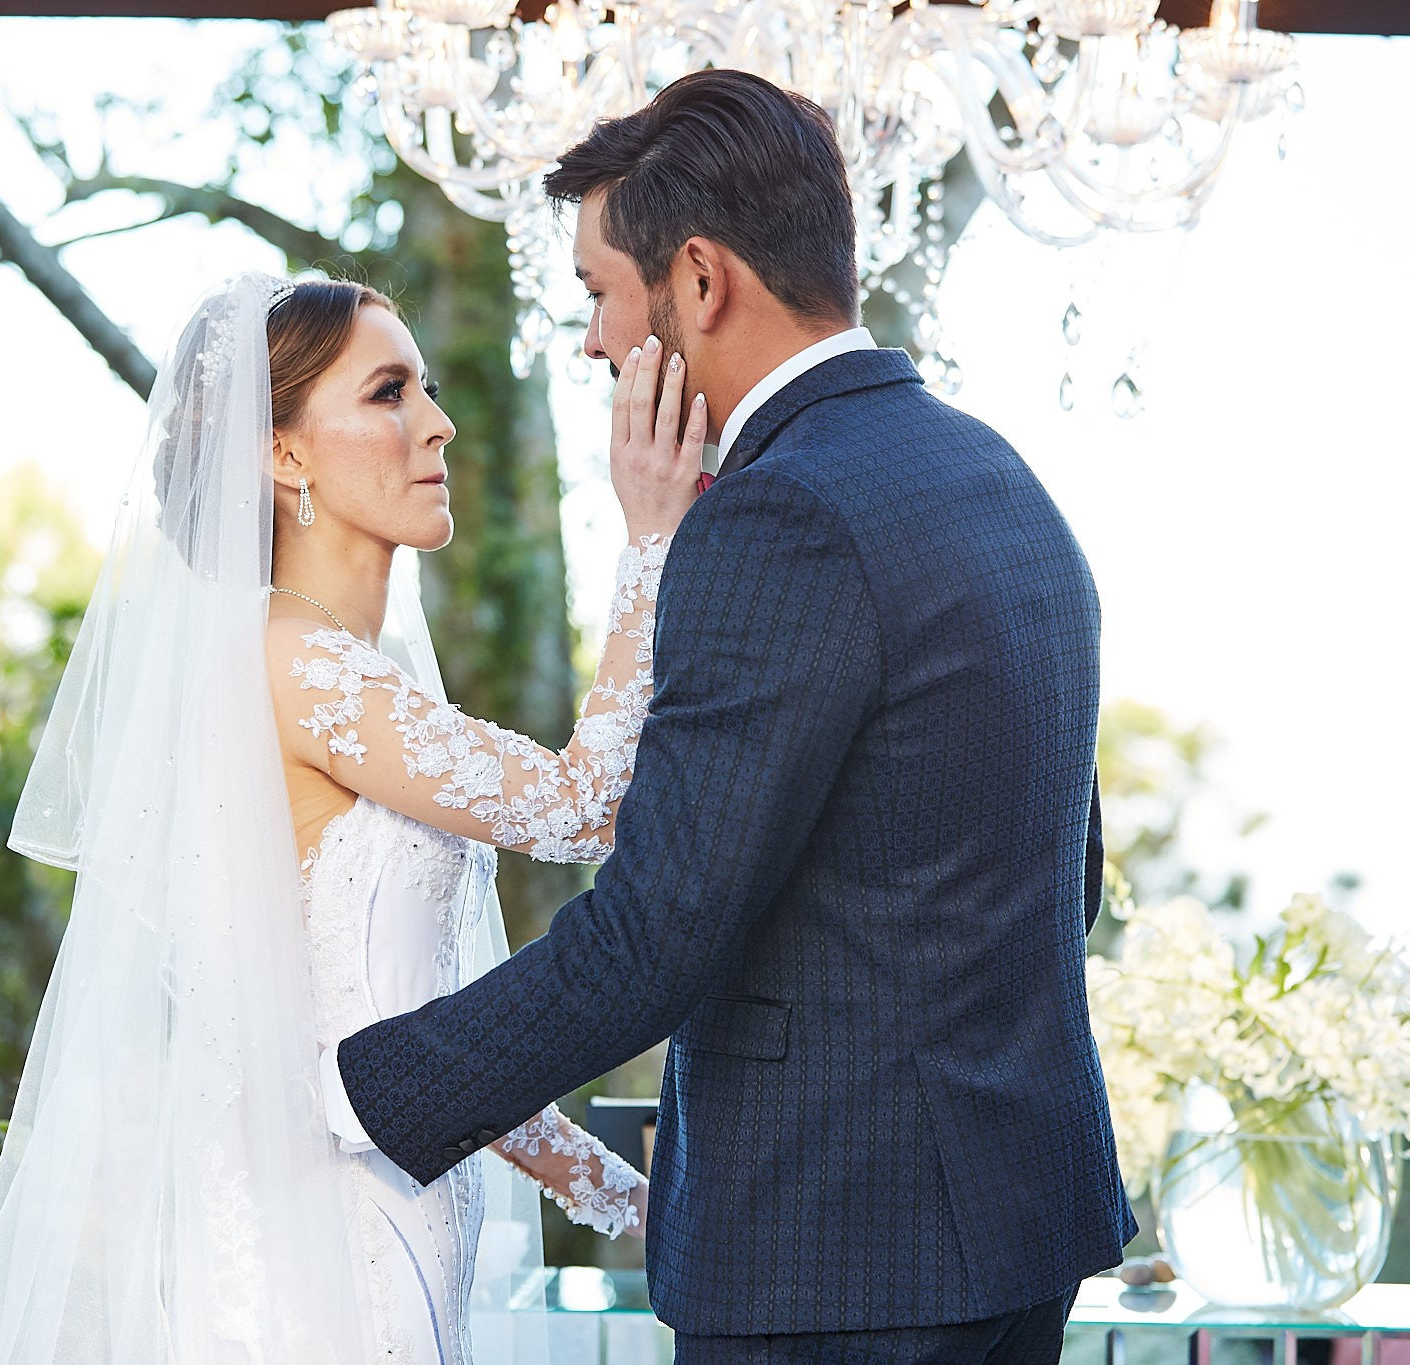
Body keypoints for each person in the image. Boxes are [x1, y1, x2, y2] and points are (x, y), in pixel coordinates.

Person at [322, 69, 1139, 1365]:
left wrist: (351, 1092)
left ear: (698, 281)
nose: (592, 343)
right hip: (1015, 1234)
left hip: (841, 1267)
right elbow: (1065, 876)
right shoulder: (1001, 480)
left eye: (600, 294)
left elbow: (651, 938)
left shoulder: (781, 519)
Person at [0, 270, 704, 1364]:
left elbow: (398, 1033)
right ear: (282, 453)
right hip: (325, 1261)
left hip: (397, 1224)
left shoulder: (344, 673)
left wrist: (625, 1193)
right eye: (387, 392)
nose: (436, 423)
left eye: (425, 388)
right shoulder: (295, 668)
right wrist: (650, 545)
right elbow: (585, 808)